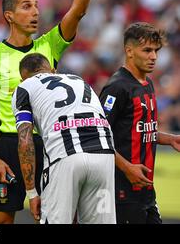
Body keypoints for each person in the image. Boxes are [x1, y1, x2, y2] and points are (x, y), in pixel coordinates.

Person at [0, 0, 113, 224]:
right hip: (9, 145)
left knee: (59, 218)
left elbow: (78, 11)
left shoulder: (48, 46)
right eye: (26, 6)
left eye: (36, 6)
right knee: (1, 222)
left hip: (50, 143)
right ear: (9, 15)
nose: (35, 12)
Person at [12, 53, 116, 224]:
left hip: (64, 155)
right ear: (53, 70)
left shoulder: (24, 88)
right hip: (104, 153)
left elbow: (25, 141)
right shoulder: (79, 80)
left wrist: (31, 193)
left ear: (23, 78)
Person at [99, 22, 180, 224]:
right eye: (147, 50)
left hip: (146, 191)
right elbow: (98, 137)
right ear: (129, 51)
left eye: (156, 51)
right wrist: (127, 168)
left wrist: (169, 139)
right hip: (122, 191)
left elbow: (141, 130)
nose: (153, 56)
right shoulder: (117, 88)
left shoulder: (147, 83)